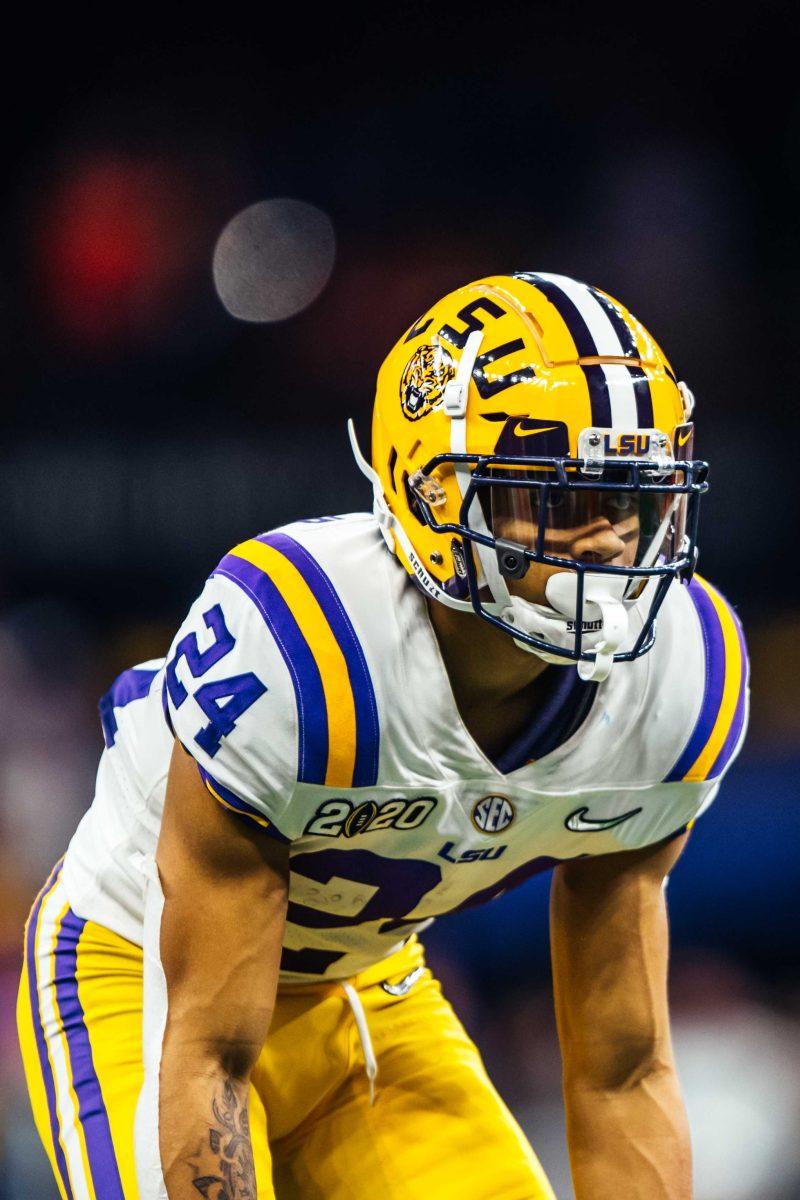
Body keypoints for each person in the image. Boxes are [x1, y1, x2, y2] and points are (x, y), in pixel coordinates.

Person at [18, 272, 748, 1200]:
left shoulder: (682, 679)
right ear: (436, 494)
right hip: (144, 978)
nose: (608, 542)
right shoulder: (307, 647)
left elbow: (621, 1072)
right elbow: (205, 1053)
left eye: (633, 497)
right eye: (562, 501)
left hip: (364, 989)